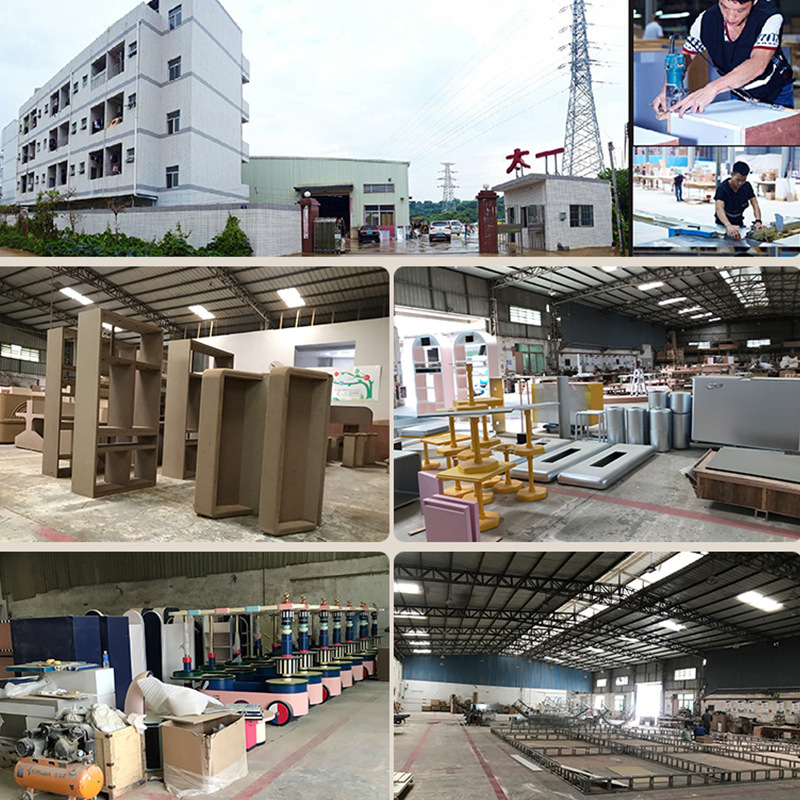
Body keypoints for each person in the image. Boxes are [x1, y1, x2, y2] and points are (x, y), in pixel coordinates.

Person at [652, 0, 794, 116]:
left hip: (775, 91)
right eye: (724, 7)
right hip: (738, 90)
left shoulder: (770, 17)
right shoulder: (705, 20)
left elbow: (758, 63)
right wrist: (668, 88)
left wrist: (712, 88)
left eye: (740, 10)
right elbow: (685, 57)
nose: (731, 17)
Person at [714, 161, 765, 239]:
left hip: (738, 223)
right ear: (732, 174)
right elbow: (719, 209)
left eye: (743, 180)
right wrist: (728, 225)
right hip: (723, 224)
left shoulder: (746, 186)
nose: (740, 183)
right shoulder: (722, 189)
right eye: (738, 180)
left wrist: (758, 221)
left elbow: (755, 204)